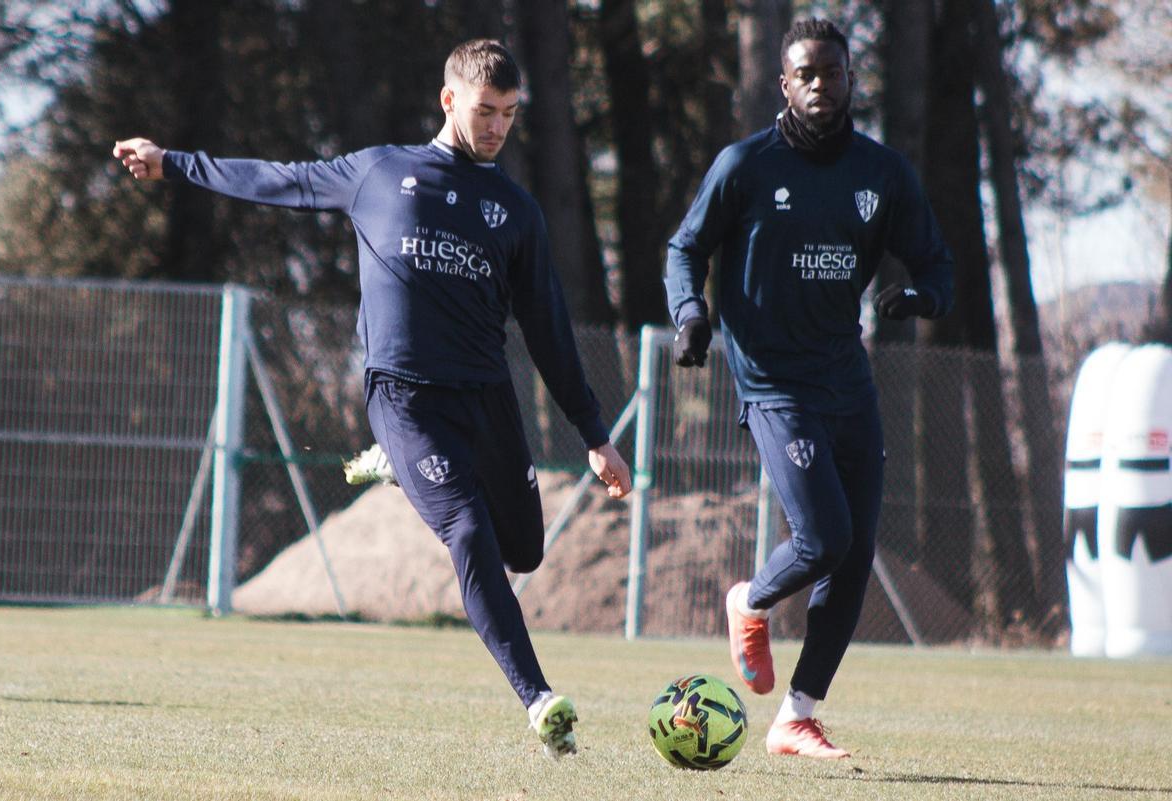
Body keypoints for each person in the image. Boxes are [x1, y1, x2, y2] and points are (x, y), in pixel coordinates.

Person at [113, 38, 631, 759]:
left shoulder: (516, 212)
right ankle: (541, 700)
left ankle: (397, 465)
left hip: (485, 396)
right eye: (486, 111)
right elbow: (277, 179)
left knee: (526, 547)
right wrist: (172, 161)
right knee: (470, 533)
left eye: (510, 115)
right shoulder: (380, 171)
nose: (497, 128)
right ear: (449, 100)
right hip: (406, 396)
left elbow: (549, 331)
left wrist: (594, 434)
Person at [664, 18, 953, 759]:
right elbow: (684, 247)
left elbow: (939, 267)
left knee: (852, 558)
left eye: (833, 70)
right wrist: (691, 313)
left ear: (852, 78)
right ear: (784, 84)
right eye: (806, 74)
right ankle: (750, 599)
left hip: (846, 381)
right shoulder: (745, 165)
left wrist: (920, 297)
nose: (821, 84)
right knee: (825, 536)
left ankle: (796, 714)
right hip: (772, 381)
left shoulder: (882, 174)